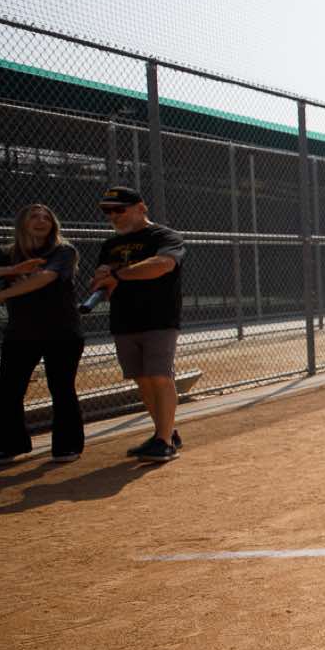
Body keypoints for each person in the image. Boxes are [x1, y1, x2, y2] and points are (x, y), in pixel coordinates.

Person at [0, 203, 84, 464]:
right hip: (21, 333)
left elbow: (45, 277)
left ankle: (67, 445)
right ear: (22, 223)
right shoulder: (5, 253)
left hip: (62, 331)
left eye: (47, 217)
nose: (41, 220)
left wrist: (1, 295)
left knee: (61, 388)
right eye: (34, 216)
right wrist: (11, 270)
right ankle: (12, 444)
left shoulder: (63, 251)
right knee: (9, 390)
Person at [86, 185, 187, 462]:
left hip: (158, 317)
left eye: (119, 209)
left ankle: (164, 443)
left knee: (160, 375)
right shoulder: (110, 245)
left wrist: (118, 274)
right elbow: (103, 285)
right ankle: (166, 433)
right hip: (124, 319)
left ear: (141, 208)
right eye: (108, 211)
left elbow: (163, 264)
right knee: (142, 378)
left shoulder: (164, 236)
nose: (113, 216)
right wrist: (101, 278)